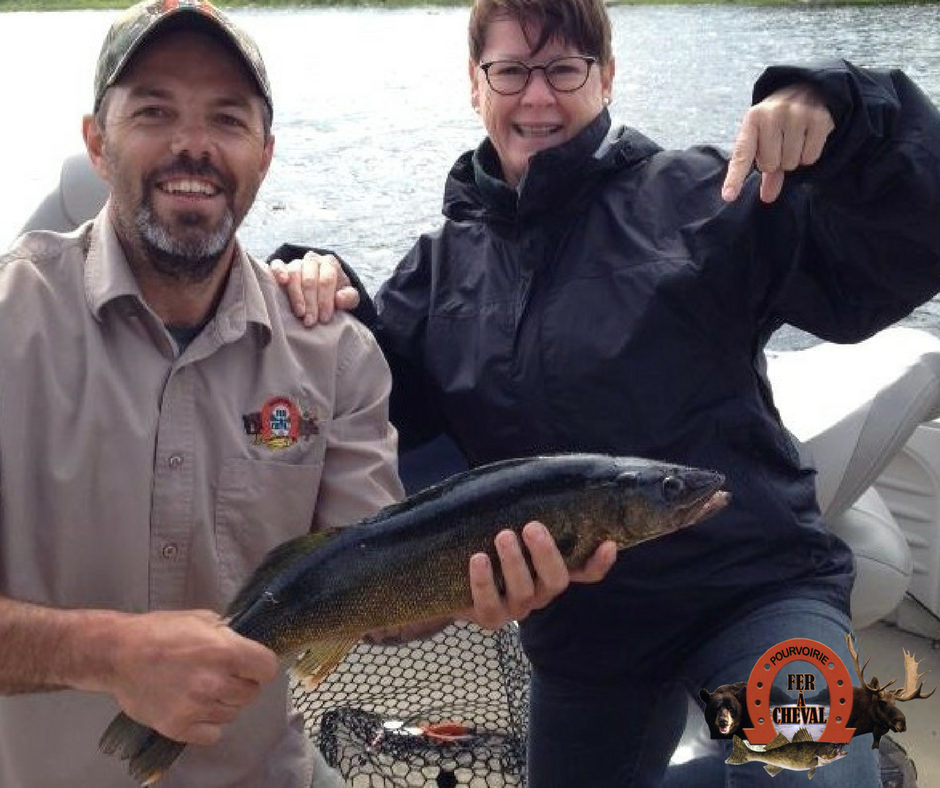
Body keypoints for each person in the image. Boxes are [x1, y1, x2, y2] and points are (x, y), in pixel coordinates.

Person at [270, 0, 940, 785]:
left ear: (608, 76)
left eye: (564, 69)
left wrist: (848, 106)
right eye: (511, 71)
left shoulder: (707, 198)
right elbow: (382, 408)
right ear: (475, 86)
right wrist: (323, 288)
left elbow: (903, 247)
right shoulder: (440, 270)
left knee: (809, 764)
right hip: (583, 640)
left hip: (756, 592)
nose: (538, 97)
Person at [0, 3, 616, 787]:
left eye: (227, 118)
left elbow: (376, 585)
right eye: (155, 111)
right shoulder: (9, 323)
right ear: (97, 140)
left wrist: (475, 587)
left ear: (264, 154)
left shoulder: (334, 354)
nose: (193, 144)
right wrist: (107, 654)